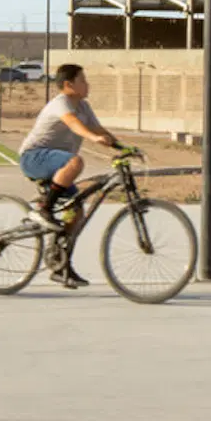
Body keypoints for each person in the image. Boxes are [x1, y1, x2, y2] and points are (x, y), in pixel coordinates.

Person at [14, 63, 128, 289]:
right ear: (68, 85)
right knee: (75, 161)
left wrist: (123, 148)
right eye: (83, 80)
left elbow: (99, 130)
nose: (88, 85)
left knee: (76, 213)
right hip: (34, 158)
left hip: (58, 168)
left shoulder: (84, 107)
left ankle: (60, 266)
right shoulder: (61, 104)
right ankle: (45, 209)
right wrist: (93, 139)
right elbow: (74, 125)